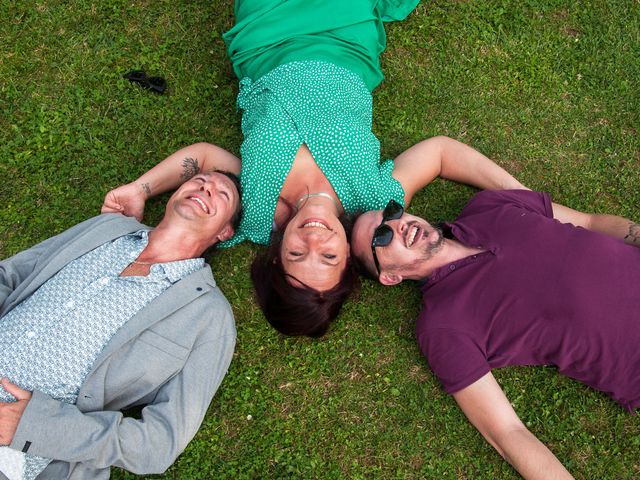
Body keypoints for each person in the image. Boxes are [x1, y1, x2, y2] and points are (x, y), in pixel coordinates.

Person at [103, 1, 526, 337]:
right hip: (347, 37)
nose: (313, 238)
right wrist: (519, 195)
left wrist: (142, 188)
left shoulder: (253, 212)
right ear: (348, 257)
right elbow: (441, 153)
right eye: (327, 255)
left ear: (275, 255)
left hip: (264, 40)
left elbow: (205, 157)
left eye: (295, 253)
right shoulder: (374, 200)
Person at [351, 186, 640, 479]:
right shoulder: (442, 326)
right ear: (390, 277)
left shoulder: (489, 205)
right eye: (381, 236)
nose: (397, 224)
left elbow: (590, 222)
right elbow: (508, 433)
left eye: (391, 212)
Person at [0, 167, 242, 480]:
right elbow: (11, 275)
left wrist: (36, 427)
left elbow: (160, 443)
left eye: (222, 194)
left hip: (14, 454)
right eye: (199, 180)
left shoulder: (210, 317)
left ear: (225, 232)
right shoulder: (107, 227)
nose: (206, 188)